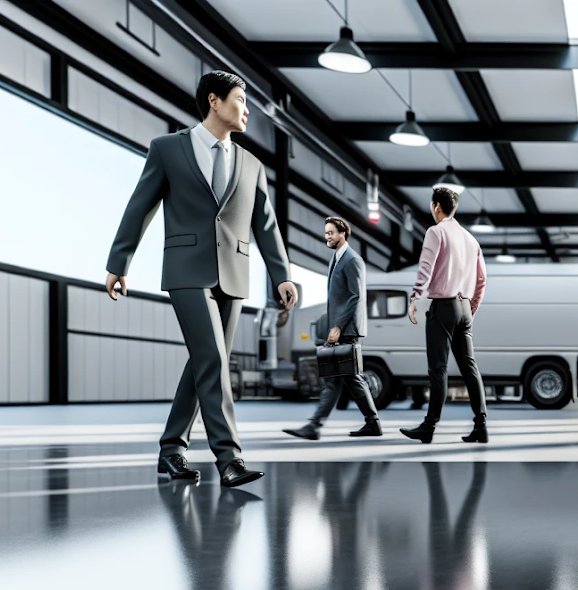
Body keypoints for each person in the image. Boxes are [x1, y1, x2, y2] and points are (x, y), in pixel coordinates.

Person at [105, 70, 298, 488]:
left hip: (233, 273)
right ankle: (229, 458)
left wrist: (281, 274)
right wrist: (119, 262)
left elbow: (266, 225)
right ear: (214, 100)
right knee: (212, 358)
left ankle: (171, 448)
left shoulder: (252, 164)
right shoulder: (168, 149)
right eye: (241, 101)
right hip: (186, 269)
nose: (247, 111)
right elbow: (139, 207)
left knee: (204, 361)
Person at [401, 187, 489, 445]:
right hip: (464, 308)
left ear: (436, 206)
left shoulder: (436, 232)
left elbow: (425, 267)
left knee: (438, 370)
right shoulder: (471, 240)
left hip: (443, 307)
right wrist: (470, 309)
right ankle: (481, 426)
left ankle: (428, 428)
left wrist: (415, 296)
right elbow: (482, 281)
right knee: (470, 368)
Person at [284, 217, 381, 440]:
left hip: (348, 329)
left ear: (343, 234)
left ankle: (315, 425)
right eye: (326, 233)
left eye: (331, 233)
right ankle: (369, 423)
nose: (327, 236)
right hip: (340, 328)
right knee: (342, 378)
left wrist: (337, 326)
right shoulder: (336, 259)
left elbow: (356, 297)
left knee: (342, 378)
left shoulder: (352, 260)